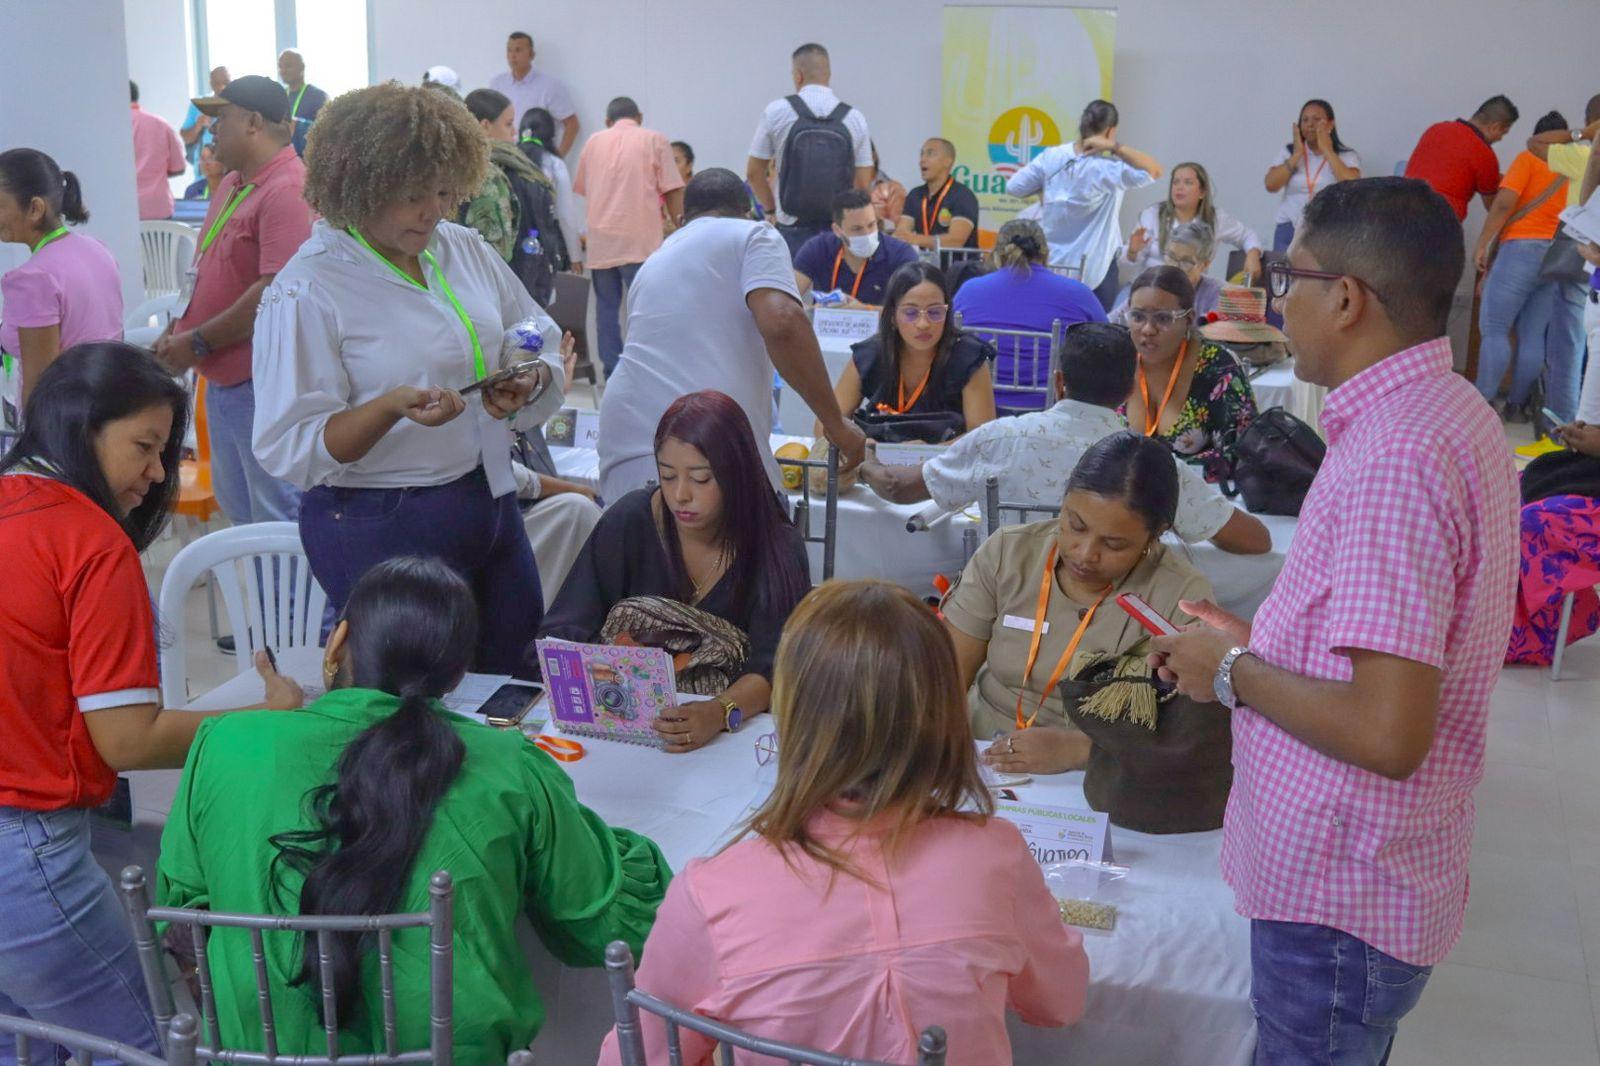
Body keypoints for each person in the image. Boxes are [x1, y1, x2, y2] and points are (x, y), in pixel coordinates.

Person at [1150, 177, 1518, 1064]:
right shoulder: (1448, 409)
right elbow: (1390, 655)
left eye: (1290, 278)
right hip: (1362, 874)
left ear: (1346, 298)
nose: (1279, 300)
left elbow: (1388, 731)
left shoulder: (1397, 456)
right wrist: (1257, 645)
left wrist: (1230, 674)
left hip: (1339, 893)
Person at [158, 556, 670, 1062]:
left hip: (258, 1055)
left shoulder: (226, 743)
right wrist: (588, 831)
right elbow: (610, 927)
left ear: (337, 642)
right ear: (457, 676)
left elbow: (182, 917)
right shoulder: (507, 765)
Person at [598, 579, 1088, 1065]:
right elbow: (1060, 1002)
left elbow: (637, 1057)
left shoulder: (712, 893)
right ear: (945, 717)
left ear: (794, 719)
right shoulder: (995, 855)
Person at [0, 344, 300, 1061]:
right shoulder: (88, 541)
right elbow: (128, 738)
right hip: (25, 847)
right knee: (143, 1044)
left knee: (23, 1044)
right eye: (144, 447)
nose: (159, 473)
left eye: (166, 452)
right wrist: (268, 718)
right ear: (82, 429)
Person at [251, 83, 567, 675]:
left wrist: (523, 373)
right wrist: (388, 408)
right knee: (407, 695)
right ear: (358, 187)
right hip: (377, 521)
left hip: (486, 499)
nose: (434, 211)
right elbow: (289, 444)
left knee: (513, 676)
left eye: (445, 192)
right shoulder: (309, 288)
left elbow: (530, 325)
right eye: (414, 196)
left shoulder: (460, 248)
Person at [944, 431, 1233, 834]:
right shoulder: (1008, 553)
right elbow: (946, 676)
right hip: (980, 755)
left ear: (1154, 535)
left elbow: (1186, 734)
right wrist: (945, 752)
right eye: (1075, 525)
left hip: (1107, 776)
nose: (1085, 554)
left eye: (1114, 544)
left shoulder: (1179, 595)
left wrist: (1079, 749)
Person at [543, 391, 809, 751]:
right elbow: (565, 630)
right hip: (619, 729)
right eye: (667, 476)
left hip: (731, 739)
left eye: (700, 479)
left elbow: (776, 666)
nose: (680, 495)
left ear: (738, 475)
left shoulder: (776, 547)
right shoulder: (631, 521)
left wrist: (718, 712)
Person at [859, 321, 1271, 555]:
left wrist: (866, 463)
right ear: (1130, 390)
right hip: (1105, 632)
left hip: (1005, 614)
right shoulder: (1151, 465)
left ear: (1058, 382)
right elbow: (1256, 541)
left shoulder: (1000, 438)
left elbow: (897, 488)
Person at [596, 168, 866, 501]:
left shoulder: (654, 261)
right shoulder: (754, 234)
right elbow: (782, 322)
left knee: (641, 534)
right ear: (746, 212)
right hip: (700, 443)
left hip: (626, 438)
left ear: (681, 220)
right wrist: (835, 424)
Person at [153, 75, 309, 528]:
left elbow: (273, 293)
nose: (211, 129)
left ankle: (282, 583)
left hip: (261, 383)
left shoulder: (286, 190)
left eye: (221, 118)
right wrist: (178, 328)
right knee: (241, 511)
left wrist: (197, 341)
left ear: (254, 122)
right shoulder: (235, 182)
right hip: (223, 378)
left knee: (274, 516)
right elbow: (203, 268)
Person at [1004, 99, 1161, 310]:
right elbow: (1154, 170)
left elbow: (1014, 187)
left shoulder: (1052, 157)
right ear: (1110, 131)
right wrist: (1115, 147)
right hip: (1096, 270)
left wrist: (1044, 189)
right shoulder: (1108, 169)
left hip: (1053, 264)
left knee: (1052, 323)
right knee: (1094, 327)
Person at [1472, 110, 1576, 422]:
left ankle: (1483, 404)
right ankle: (1517, 406)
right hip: (1558, 255)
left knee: (1495, 329)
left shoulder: (1528, 158)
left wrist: (1483, 242)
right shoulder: (1575, 166)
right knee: (1533, 336)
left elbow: (1504, 203)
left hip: (1521, 249)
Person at [819, 260, 995, 441]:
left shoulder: (969, 357)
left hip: (948, 457)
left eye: (935, 312)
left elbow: (982, 437)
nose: (923, 324)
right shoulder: (870, 354)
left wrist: (929, 453)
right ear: (892, 316)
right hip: (877, 456)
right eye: (910, 313)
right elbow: (825, 426)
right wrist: (860, 444)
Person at [574, 96, 686, 376]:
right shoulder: (654, 139)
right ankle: (647, 371)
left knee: (606, 311)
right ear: (640, 117)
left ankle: (613, 374)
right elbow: (673, 190)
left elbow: (585, 188)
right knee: (647, 310)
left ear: (607, 121)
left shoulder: (592, 142)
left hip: (601, 243)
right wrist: (684, 232)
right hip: (641, 241)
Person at [0, 149, 122, 406]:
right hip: (107, 404)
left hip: (66, 420)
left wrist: (30, 433)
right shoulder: (96, 249)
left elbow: (40, 391)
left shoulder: (31, 280)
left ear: (35, 208)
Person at [950, 218, 1106, 412]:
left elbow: (949, 341)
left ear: (997, 253)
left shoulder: (969, 290)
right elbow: (1108, 346)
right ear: (1046, 253)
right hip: (1053, 409)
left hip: (978, 408)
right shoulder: (1078, 293)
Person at [1119, 265, 1257, 483]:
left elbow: (1244, 455)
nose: (1147, 329)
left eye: (1163, 318)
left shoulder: (1217, 366)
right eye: (1137, 316)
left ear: (1189, 319)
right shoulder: (1117, 358)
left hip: (1199, 498)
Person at [746, 42, 873, 256]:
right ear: (829, 74)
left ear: (798, 75)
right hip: (838, 230)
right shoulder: (854, 118)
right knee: (835, 279)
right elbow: (862, 183)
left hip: (791, 228)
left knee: (794, 278)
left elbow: (753, 173)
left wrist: (770, 210)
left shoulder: (776, 111)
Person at [461, 88, 572, 307]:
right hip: (502, 289)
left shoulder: (510, 165)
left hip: (510, 285)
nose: (514, 133)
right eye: (508, 124)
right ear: (485, 126)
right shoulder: (490, 173)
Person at [1121, 161, 1262, 282]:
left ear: (1202, 192)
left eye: (1187, 182)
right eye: (1175, 182)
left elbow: (1247, 235)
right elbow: (1127, 262)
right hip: (1147, 286)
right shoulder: (1153, 214)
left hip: (1190, 290)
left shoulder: (1215, 218)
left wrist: (1253, 254)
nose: (1179, 187)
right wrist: (1132, 251)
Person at [1263, 98, 1362, 251]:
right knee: (1283, 267)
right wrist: (1297, 155)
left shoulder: (1346, 155)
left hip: (1329, 229)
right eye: (1305, 120)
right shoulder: (1289, 152)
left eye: (1316, 119)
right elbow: (1271, 185)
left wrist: (1328, 150)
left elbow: (1353, 187)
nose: (1310, 124)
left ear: (1330, 124)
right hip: (1289, 228)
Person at [791, 189, 918, 305]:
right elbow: (788, 300)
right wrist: (813, 311)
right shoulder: (818, 248)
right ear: (838, 230)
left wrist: (863, 311)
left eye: (871, 225)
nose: (867, 234)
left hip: (882, 323)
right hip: (826, 321)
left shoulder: (900, 253)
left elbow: (912, 310)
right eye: (857, 229)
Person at [1404, 94, 1519, 222]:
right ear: (1494, 127)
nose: (1500, 139)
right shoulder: (1484, 153)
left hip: (1400, 208)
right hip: (1439, 221)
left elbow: (1448, 167)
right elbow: (1494, 208)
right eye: (1503, 133)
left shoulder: (1436, 129)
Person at [1112, 220, 1222, 322]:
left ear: (1204, 265)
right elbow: (1112, 320)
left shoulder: (1217, 293)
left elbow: (1214, 333)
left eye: (1186, 262)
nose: (1175, 267)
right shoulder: (1152, 283)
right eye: (1171, 257)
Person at [490, 31, 579, 155]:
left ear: (531, 55)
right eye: (509, 50)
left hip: (537, 157)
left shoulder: (549, 86)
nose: (513, 56)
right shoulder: (497, 84)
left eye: (518, 50)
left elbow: (572, 125)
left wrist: (557, 159)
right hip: (505, 156)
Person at [519, 107, 583, 273]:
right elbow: (565, 214)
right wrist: (575, 256)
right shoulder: (554, 164)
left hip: (515, 240)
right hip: (546, 241)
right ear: (550, 134)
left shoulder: (512, 159)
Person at [895, 137, 980, 251]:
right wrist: (903, 237)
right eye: (922, 154)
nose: (922, 160)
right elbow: (901, 233)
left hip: (956, 262)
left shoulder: (963, 196)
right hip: (923, 262)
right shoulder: (915, 195)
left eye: (930, 154)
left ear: (948, 161)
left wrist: (915, 239)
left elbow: (956, 241)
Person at [128, 79, 185, 220]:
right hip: (158, 208)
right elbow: (179, 168)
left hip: (122, 208)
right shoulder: (161, 124)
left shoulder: (109, 128)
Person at [180, 65, 230, 177]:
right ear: (211, 84)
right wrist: (198, 125)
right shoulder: (199, 105)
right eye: (217, 83)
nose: (222, 87)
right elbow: (186, 137)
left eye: (226, 82)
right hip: (203, 176)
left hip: (232, 174)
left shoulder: (240, 105)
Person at [277, 50, 327, 158]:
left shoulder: (318, 96)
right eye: (280, 66)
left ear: (302, 67)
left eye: (288, 65)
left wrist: (298, 125)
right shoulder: (278, 96)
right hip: (282, 159)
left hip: (307, 159)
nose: (283, 70)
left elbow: (325, 132)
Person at [868, 140, 905, 233]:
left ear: (873, 156)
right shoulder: (846, 188)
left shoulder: (893, 188)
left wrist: (879, 222)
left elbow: (901, 227)